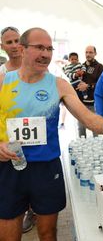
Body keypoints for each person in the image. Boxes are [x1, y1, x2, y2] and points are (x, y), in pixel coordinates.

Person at [0, 27, 103, 241]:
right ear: (22, 49)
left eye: (49, 48)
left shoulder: (59, 85)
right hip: (9, 168)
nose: (46, 54)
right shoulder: (4, 81)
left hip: (46, 169)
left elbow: (87, 118)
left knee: (48, 232)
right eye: (39, 47)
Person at [0, 26, 36, 233]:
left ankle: (32, 210)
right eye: (9, 42)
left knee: (33, 175)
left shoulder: (35, 68)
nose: (14, 46)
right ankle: (19, 211)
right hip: (9, 136)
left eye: (16, 41)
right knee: (15, 177)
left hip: (33, 135)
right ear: (2, 46)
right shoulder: (1, 73)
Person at [76, 45, 103, 137]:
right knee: (81, 128)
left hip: (93, 104)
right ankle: (81, 148)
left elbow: (102, 85)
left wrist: (87, 86)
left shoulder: (99, 67)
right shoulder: (80, 66)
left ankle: (96, 150)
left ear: (95, 53)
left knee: (95, 128)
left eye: (90, 52)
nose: (88, 54)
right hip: (81, 104)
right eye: (86, 52)